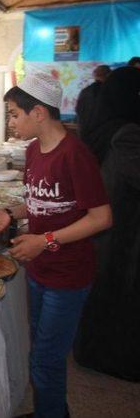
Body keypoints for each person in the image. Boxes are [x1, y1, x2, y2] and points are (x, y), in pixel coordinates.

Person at [0, 72, 112, 418]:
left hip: (68, 276)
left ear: (38, 112)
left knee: (45, 361)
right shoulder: (33, 150)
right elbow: (39, 202)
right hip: (39, 270)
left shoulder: (75, 154)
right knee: (42, 350)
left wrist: (46, 240)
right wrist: (11, 214)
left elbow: (101, 217)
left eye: (14, 113)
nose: (10, 122)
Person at [73, 67, 140, 381]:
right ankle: (107, 359)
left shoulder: (104, 127)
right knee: (117, 297)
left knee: (105, 296)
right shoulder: (127, 134)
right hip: (121, 228)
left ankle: (95, 352)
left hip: (107, 228)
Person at [75, 65, 111, 135]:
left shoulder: (85, 91)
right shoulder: (109, 91)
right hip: (101, 133)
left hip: (84, 131)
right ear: (108, 75)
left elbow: (78, 109)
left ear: (94, 75)